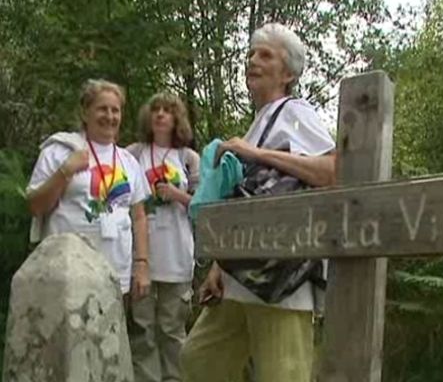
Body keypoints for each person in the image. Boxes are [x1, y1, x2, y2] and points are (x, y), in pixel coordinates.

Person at [180, 23, 336, 382]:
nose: (252, 60)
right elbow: (247, 204)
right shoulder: (260, 122)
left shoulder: (295, 112)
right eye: (251, 53)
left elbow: (333, 170)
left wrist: (255, 153)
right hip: (242, 277)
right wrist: (219, 267)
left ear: (288, 73)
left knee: (283, 375)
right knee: (200, 361)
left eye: (265, 55)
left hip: (282, 282)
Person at [27, 78, 151, 299]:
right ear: (85, 113)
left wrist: (141, 264)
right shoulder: (59, 151)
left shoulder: (128, 162)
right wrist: (65, 171)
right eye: (102, 109)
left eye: (116, 110)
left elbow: (139, 216)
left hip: (115, 274)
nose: (110, 116)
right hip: (66, 275)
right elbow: (36, 206)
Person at [126, 92, 199, 382]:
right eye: (155, 109)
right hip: (140, 255)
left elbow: (205, 205)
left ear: (176, 118)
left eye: (167, 110)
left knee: (172, 330)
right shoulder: (133, 154)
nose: (160, 115)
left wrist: (178, 194)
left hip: (177, 254)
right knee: (142, 329)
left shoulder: (188, 158)